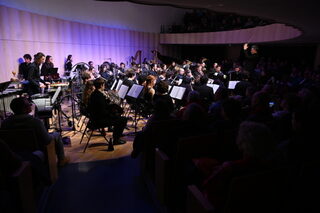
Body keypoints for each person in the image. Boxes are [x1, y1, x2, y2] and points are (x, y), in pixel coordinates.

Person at [0, 97, 70, 167]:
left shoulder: (5, 123)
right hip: (35, 150)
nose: (31, 105)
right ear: (25, 108)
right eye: (29, 104)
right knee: (56, 135)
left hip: (15, 151)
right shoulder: (35, 122)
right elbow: (47, 140)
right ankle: (61, 160)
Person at [87, 78, 127, 145]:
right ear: (102, 85)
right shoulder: (99, 96)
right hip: (99, 120)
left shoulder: (94, 94)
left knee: (119, 117)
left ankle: (117, 135)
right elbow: (103, 112)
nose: (104, 86)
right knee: (123, 120)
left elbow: (103, 108)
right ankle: (116, 139)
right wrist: (114, 114)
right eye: (104, 85)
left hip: (94, 118)